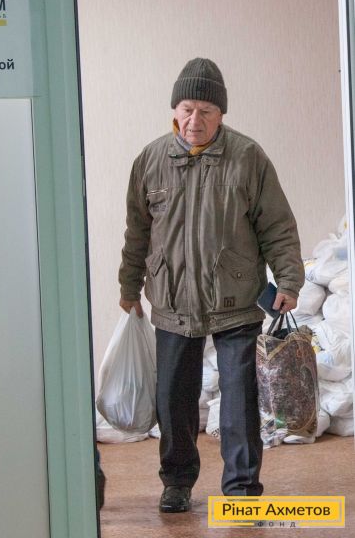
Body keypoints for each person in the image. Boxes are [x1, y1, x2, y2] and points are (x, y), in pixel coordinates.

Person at [118, 58, 304, 513]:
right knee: (173, 400)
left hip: (235, 298)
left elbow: (277, 227)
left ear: (221, 113)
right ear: (174, 110)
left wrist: (288, 279)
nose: (194, 120)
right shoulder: (151, 160)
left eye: (206, 111)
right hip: (172, 298)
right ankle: (177, 482)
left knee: (239, 401)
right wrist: (128, 287)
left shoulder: (248, 157)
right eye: (187, 109)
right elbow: (137, 232)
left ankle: (241, 491)